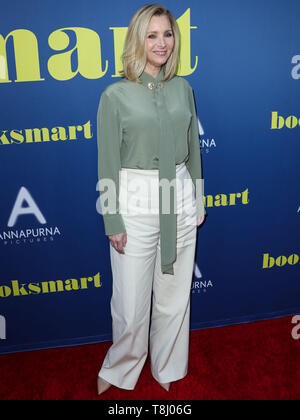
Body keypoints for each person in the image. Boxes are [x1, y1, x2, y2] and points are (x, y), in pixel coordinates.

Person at [96, 3, 206, 395]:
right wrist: (113, 219)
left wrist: (199, 198)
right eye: (152, 34)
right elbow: (107, 162)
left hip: (179, 195)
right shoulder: (115, 95)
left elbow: (193, 148)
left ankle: (168, 367)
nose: (162, 43)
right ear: (137, 40)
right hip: (136, 199)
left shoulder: (184, 88)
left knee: (175, 296)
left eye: (168, 34)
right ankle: (121, 369)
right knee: (129, 303)